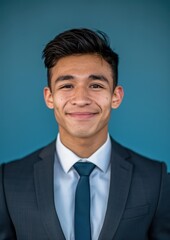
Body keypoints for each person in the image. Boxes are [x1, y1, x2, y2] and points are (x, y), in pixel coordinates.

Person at [0, 28, 170, 240]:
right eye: (67, 85)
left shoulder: (156, 179)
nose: (81, 99)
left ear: (115, 96)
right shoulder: (8, 181)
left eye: (96, 85)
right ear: (49, 97)